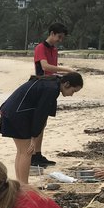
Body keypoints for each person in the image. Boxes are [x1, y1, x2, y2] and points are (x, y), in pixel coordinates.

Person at [0, 72, 84, 184]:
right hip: (18, 114)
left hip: (10, 111)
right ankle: (24, 185)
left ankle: (20, 184)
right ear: (67, 84)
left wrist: (35, 133)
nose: (72, 94)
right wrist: (34, 137)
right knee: (27, 152)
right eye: (73, 91)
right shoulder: (52, 88)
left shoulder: (53, 83)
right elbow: (41, 114)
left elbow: (44, 115)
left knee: (21, 151)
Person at [31, 22, 77, 167]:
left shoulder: (54, 50)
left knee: (43, 122)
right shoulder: (40, 47)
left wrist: (65, 74)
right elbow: (45, 67)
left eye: (62, 38)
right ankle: (33, 154)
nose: (60, 40)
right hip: (41, 86)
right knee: (38, 121)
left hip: (52, 86)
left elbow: (53, 70)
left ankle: (37, 153)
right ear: (51, 33)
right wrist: (66, 69)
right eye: (59, 37)